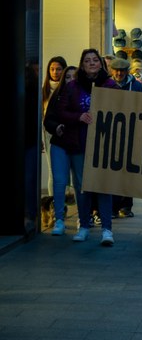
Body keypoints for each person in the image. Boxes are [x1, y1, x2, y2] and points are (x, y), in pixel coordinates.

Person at [57, 48, 118, 246]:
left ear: (101, 63)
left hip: (103, 145)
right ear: (82, 65)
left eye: (95, 60)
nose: (91, 63)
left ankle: (107, 229)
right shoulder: (72, 87)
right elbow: (61, 112)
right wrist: (78, 117)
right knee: (82, 187)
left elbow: (122, 111)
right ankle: (83, 226)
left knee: (103, 186)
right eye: (87, 60)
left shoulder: (111, 86)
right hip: (79, 143)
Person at [42, 65, 77, 235]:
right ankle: (59, 219)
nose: (71, 80)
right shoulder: (56, 97)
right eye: (68, 77)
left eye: (74, 77)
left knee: (79, 182)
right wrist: (56, 128)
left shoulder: (85, 97)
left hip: (79, 144)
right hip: (59, 143)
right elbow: (48, 121)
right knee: (59, 181)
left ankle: (83, 219)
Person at [109, 56, 142, 218]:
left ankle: (127, 206)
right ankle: (114, 206)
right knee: (113, 171)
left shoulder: (136, 86)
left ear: (126, 71)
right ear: (112, 71)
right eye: (116, 70)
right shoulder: (107, 85)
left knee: (127, 171)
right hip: (111, 134)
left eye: (122, 71)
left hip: (130, 133)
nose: (119, 73)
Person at [40, 56, 68, 230]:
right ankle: (55, 207)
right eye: (52, 69)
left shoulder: (68, 88)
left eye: (58, 69)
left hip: (67, 131)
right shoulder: (43, 90)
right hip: (48, 133)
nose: (55, 72)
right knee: (53, 172)